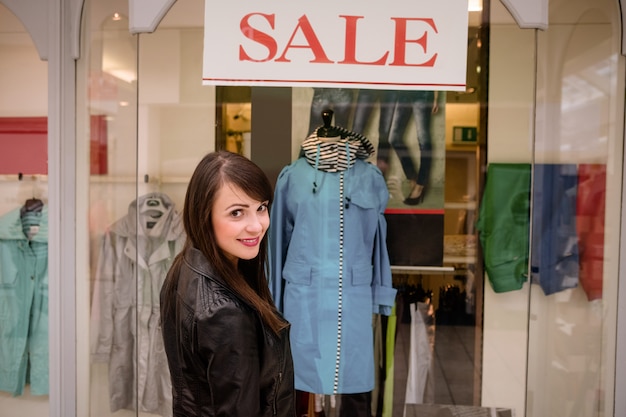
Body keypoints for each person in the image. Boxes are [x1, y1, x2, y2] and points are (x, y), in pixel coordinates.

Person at [160, 151, 297, 417]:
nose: (257, 226)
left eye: (261, 207)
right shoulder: (226, 313)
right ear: (204, 215)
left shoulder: (185, 266)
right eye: (237, 213)